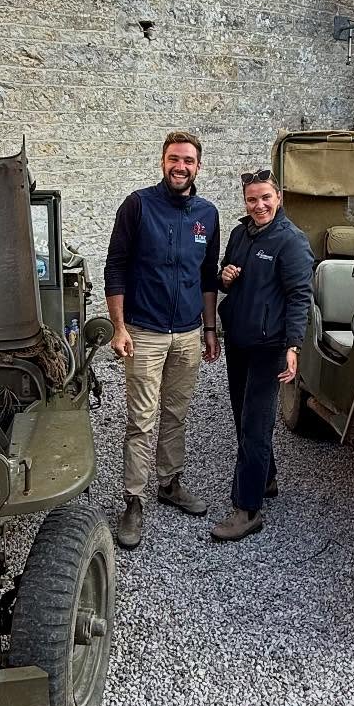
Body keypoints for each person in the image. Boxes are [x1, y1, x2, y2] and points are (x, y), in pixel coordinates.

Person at [104, 131, 221, 550]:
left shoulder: (207, 214)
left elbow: (209, 277)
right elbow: (115, 266)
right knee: (141, 420)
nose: (180, 166)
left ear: (198, 167)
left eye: (188, 160)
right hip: (145, 332)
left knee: (176, 414)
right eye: (174, 158)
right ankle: (133, 501)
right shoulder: (137, 206)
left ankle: (169, 484)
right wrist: (118, 327)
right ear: (162, 161)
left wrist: (210, 329)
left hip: (188, 334)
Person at [211, 167, 313, 543]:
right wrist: (226, 276)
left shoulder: (291, 241)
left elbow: (301, 296)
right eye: (252, 199)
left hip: (270, 347)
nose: (259, 205)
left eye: (265, 198)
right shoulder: (241, 233)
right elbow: (223, 275)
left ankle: (247, 508)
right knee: (242, 417)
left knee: (255, 424)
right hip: (240, 340)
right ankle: (266, 478)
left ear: (279, 198)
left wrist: (292, 346)